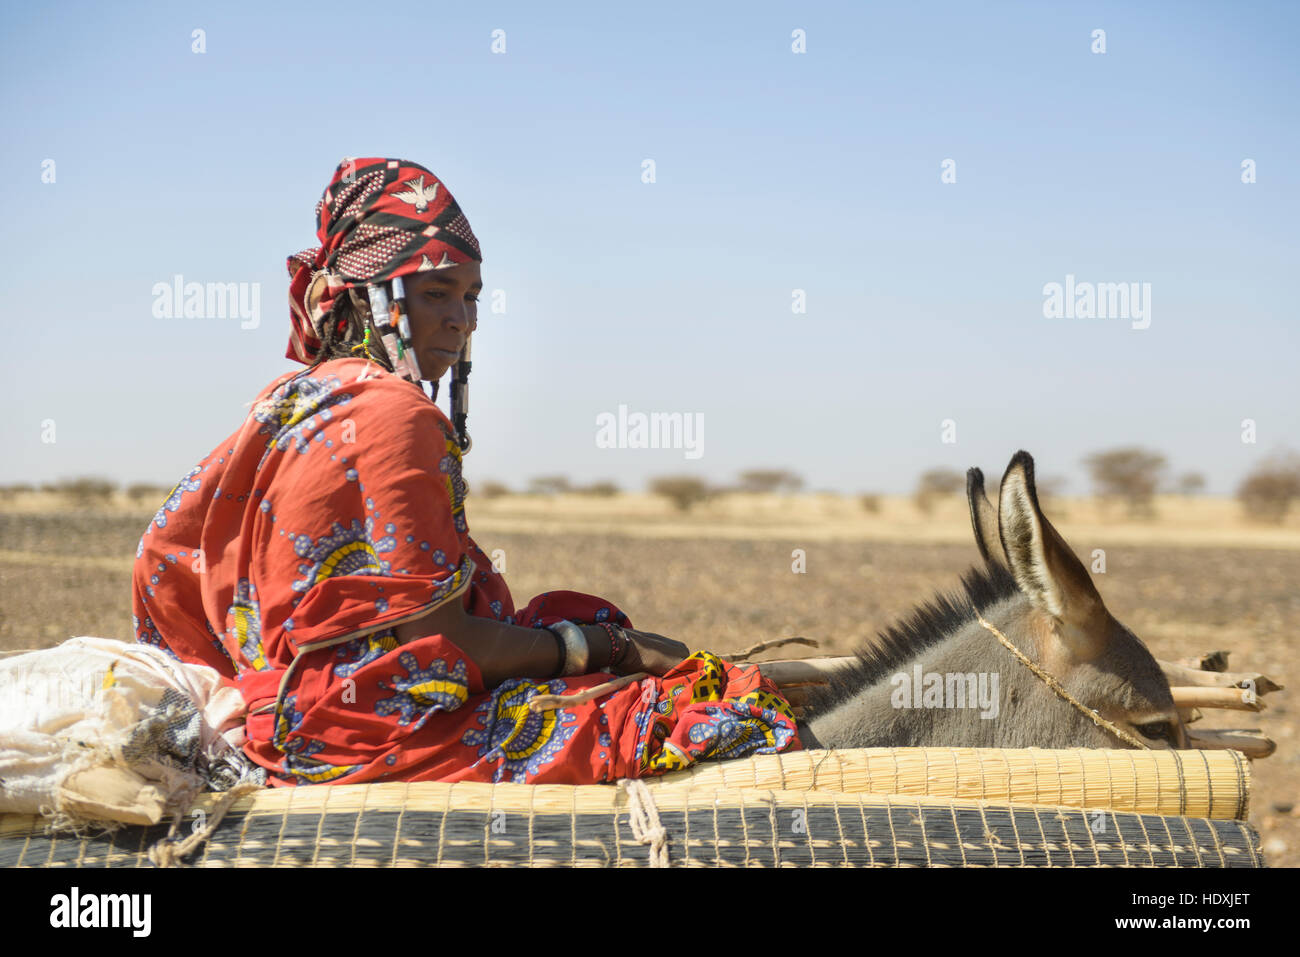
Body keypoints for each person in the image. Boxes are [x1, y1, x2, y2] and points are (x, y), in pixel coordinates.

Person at [131, 157, 801, 787]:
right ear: (370, 298)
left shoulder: (298, 398)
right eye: (435, 293)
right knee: (725, 715)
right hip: (369, 740)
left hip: (280, 721)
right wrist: (612, 647)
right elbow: (441, 642)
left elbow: (166, 556)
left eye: (472, 296)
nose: (461, 320)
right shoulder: (393, 414)